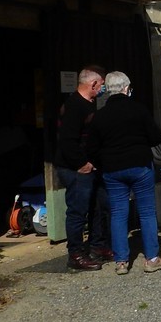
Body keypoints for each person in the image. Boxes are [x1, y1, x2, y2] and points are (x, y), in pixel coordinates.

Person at [86, 71, 161, 275]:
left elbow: (91, 148)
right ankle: (152, 258)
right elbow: (156, 137)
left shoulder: (100, 115)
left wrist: (102, 162)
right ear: (126, 88)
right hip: (139, 165)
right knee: (147, 211)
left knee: (118, 214)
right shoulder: (139, 109)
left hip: (112, 170)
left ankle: (121, 261)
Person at [55, 66, 108, 272]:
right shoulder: (74, 106)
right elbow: (67, 141)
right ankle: (75, 253)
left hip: (91, 167)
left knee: (97, 207)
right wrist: (82, 164)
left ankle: (97, 246)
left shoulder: (89, 104)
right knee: (77, 212)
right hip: (76, 169)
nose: (102, 88)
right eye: (102, 84)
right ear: (93, 83)